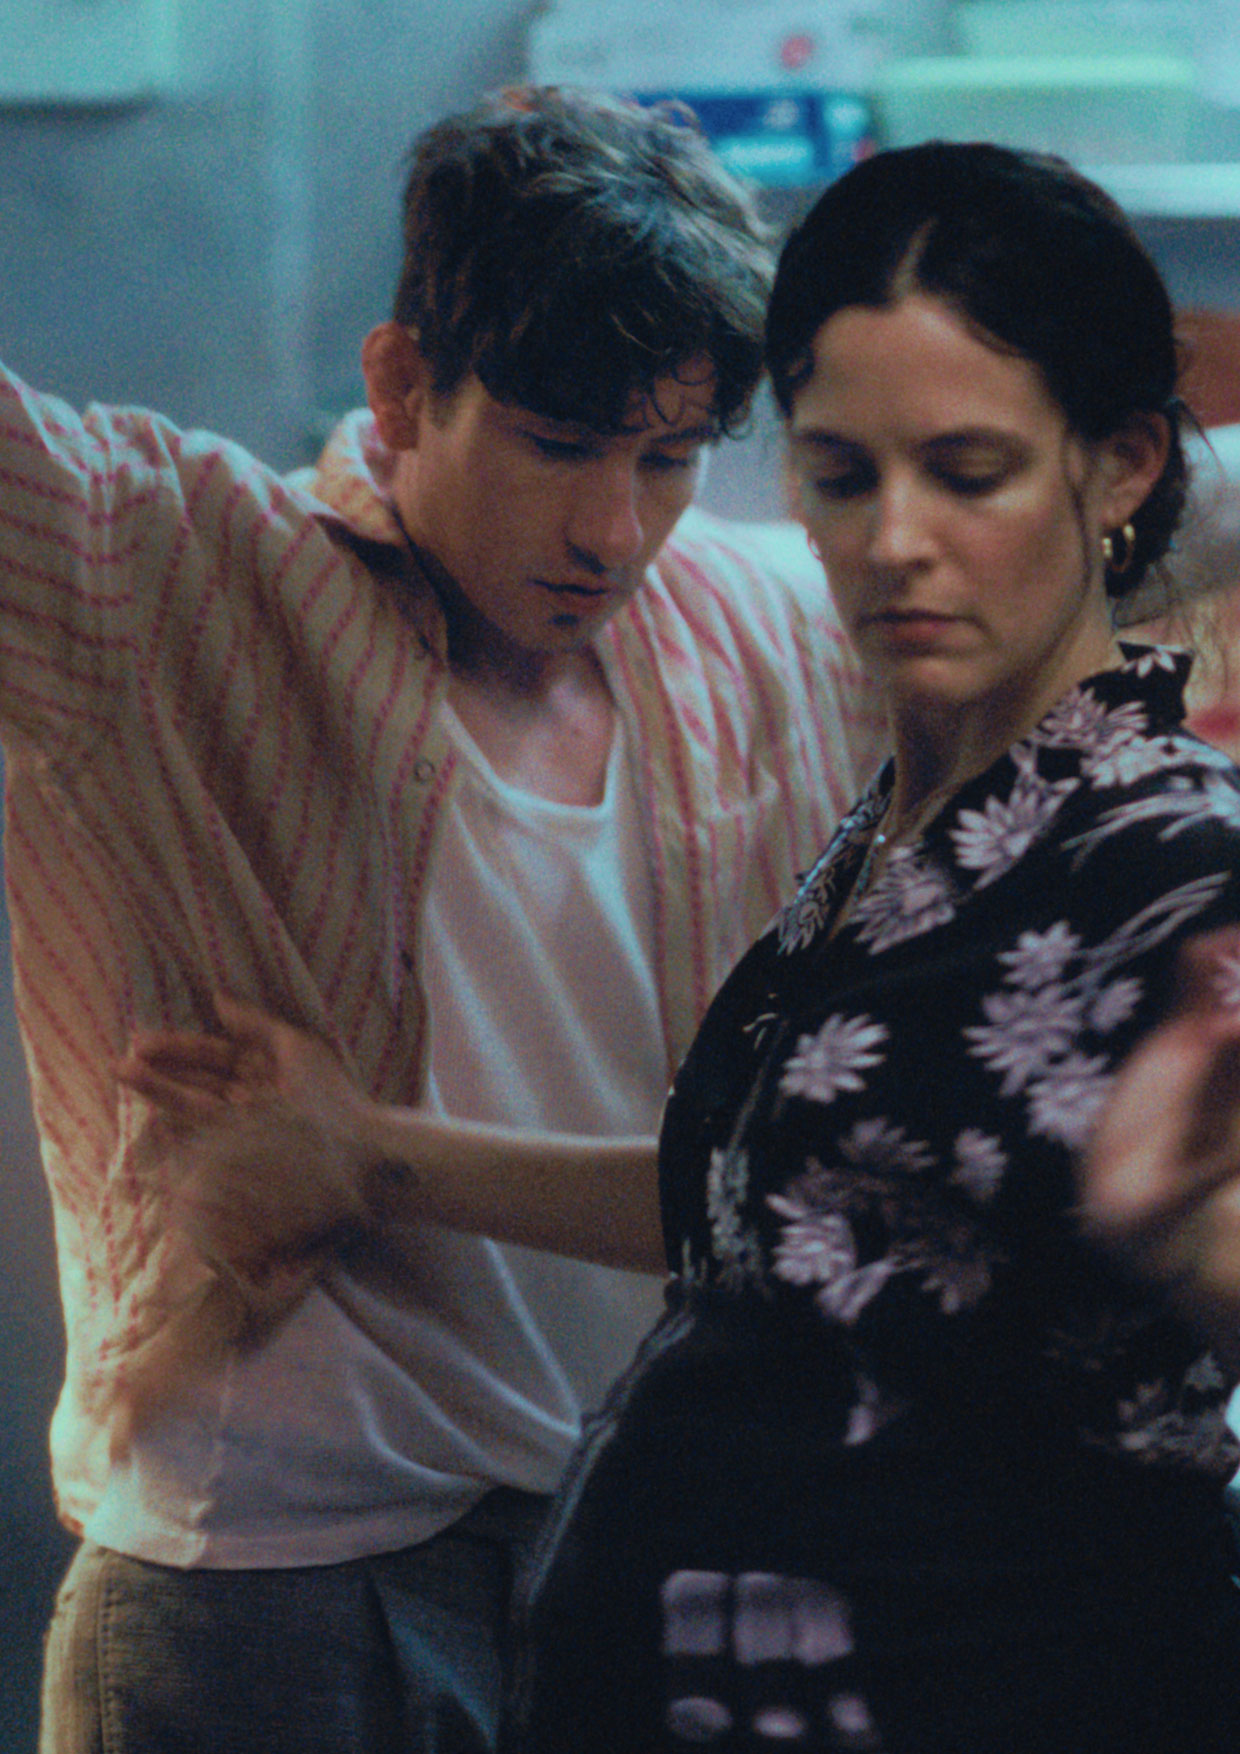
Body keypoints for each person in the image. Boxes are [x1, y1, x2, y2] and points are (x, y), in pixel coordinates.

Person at [124, 141, 1240, 1752]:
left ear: (1119, 467)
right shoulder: (908, 826)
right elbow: (755, 1188)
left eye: (969, 472)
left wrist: (1195, 1246)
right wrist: (367, 1153)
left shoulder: (1168, 852)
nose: (894, 539)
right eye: (840, 474)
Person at [1, 88, 883, 1754]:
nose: (612, 529)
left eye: (668, 459)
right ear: (404, 385)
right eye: (558, 445)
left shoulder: (749, 628)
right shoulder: (187, 571)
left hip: (627, 1540)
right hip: (271, 1560)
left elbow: (1106, 528)